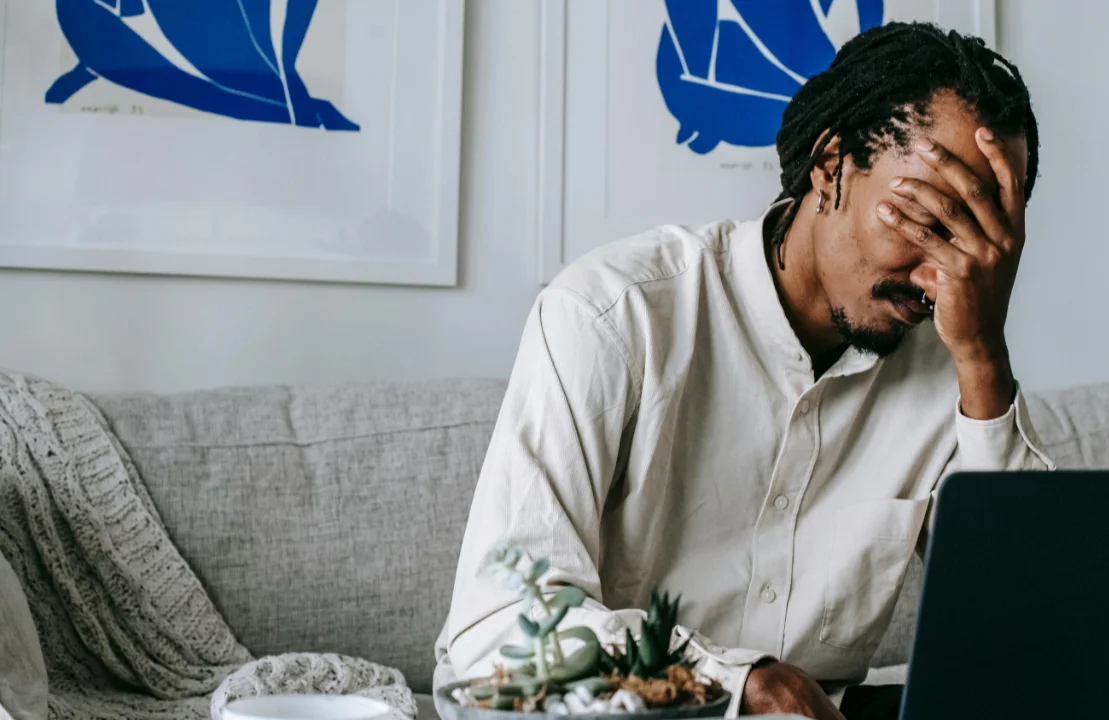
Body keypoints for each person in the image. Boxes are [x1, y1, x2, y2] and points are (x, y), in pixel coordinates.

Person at [435, 22, 1054, 720]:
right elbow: (496, 636)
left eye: (980, 240)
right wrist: (742, 684)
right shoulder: (613, 316)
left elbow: (1036, 639)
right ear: (832, 165)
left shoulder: (958, 361)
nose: (942, 276)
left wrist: (983, 355)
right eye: (928, 219)